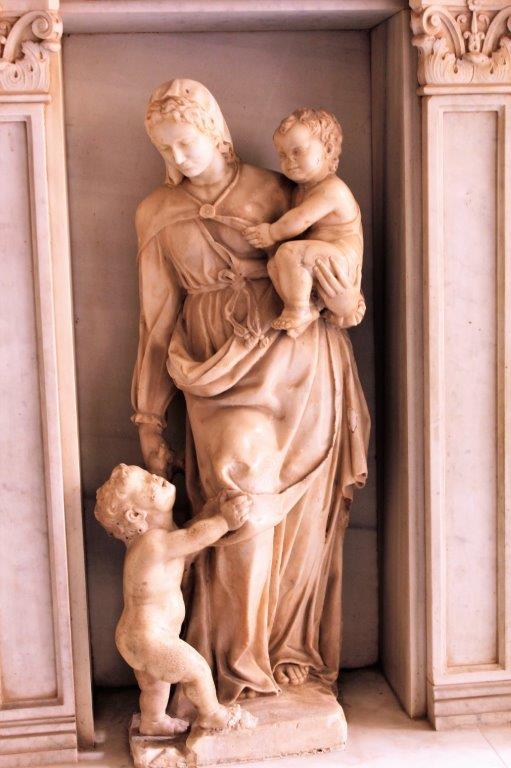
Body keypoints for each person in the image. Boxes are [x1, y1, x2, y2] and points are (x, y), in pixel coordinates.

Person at [131, 78, 370, 705]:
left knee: (300, 517)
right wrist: (149, 420)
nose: (177, 158)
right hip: (216, 369)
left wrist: (346, 300)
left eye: (186, 143)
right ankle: (237, 666)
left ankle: (286, 649)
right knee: (242, 491)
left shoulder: (279, 188)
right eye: (165, 148)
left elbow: (337, 265)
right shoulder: (156, 211)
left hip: (301, 363)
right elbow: (155, 321)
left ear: (216, 131)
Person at [94, 464, 255, 734]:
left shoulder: (158, 540)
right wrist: (224, 521)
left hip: (136, 636)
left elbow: (188, 536)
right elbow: (193, 538)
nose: (156, 477)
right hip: (149, 637)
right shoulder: (154, 543)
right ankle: (212, 714)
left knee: (155, 686)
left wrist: (210, 512)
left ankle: (153, 721)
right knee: (197, 670)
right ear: (135, 514)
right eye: (147, 482)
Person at [244, 108, 364, 337]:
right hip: (320, 257)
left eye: (298, 152)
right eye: (282, 155)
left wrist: (271, 232)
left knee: (289, 253)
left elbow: (300, 219)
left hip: (340, 261)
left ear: (328, 150)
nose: (289, 161)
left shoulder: (332, 189)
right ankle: (306, 307)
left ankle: (298, 309)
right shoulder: (301, 190)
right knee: (274, 265)